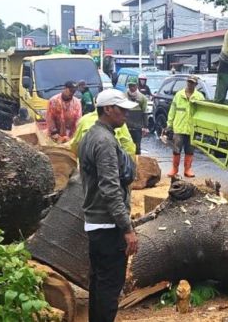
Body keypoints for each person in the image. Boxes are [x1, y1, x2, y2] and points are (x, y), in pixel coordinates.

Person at [78, 89, 139, 322]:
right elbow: (110, 188)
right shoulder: (103, 142)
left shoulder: (94, 134)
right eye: (121, 109)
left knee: (99, 284)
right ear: (107, 109)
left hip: (97, 223)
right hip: (108, 225)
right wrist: (127, 228)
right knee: (109, 288)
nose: (125, 114)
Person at [165, 75, 205, 178]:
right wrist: (169, 125)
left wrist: (201, 128)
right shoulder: (179, 95)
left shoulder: (199, 97)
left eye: (192, 83)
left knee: (190, 150)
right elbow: (172, 110)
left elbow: (202, 114)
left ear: (196, 84)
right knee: (176, 149)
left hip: (191, 129)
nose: (190, 84)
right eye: (189, 82)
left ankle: (187, 169)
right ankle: (174, 169)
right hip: (179, 128)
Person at [69, 110, 136, 158]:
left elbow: (75, 145)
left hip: (85, 170)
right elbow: (129, 148)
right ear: (107, 109)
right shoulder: (118, 123)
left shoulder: (84, 120)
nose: (126, 114)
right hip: (112, 168)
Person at [125, 77, 147, 155]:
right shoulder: (124, 97)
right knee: (126, 147)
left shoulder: (142, 98)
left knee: (137, 148)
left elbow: (144, 112)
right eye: (130, 85)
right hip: (126, 127)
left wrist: (145, 127)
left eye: (133, 85)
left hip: (137, 127)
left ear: (137, 86)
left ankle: (137, 165)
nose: (131, 87)